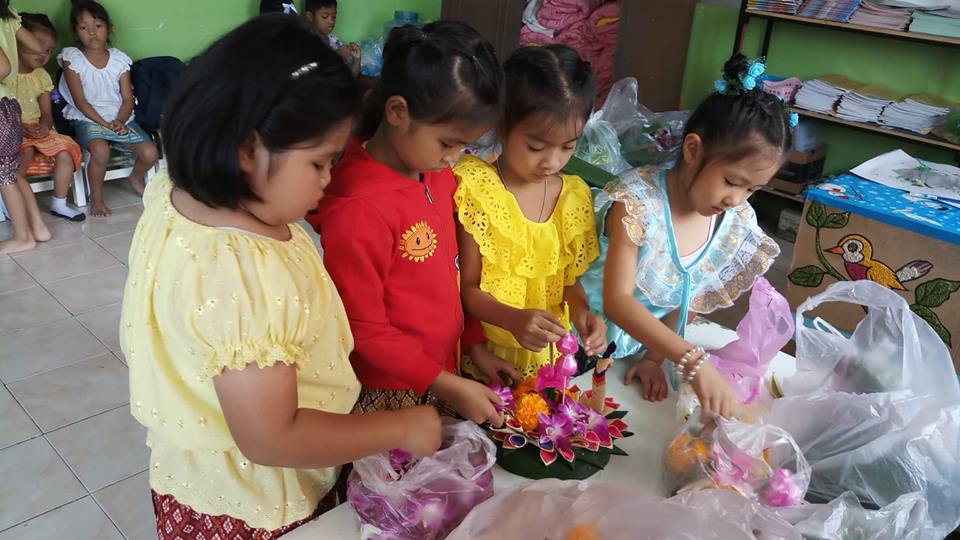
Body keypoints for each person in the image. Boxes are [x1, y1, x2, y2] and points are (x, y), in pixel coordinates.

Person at [120, 15, 441, 540]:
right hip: (257, 503)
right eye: (320, 162)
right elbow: (271, 437)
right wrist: (402, 426)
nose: (329, 178)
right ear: (248, 150)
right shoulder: (241, 276)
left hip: (195, 472)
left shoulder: (172, 190)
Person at [306, 21, 505, 424]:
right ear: (397, 111)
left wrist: (475, 345)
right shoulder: (360, 209)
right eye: (447, 143)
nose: (455, 158)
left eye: (463, 146)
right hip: (391, 391)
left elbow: (448, 276)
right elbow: (363, 327)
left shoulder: (434, 173)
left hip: (441, 370)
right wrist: (444, 384)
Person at [580, 54, 795, 417]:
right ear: (693, 149)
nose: (736, 199)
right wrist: (692, 360)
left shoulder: (732, 221)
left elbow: (691, 293)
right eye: (731, 181)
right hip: (584, 333)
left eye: (752, 189)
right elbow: (617, 301)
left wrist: (655, 358)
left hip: (641, 344)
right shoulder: (637, 204)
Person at [455, 44, 606, 385]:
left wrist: (582, 313)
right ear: (502, 124)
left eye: (568, 147)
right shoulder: (479, 188)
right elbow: (467, 288)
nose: (552, 162)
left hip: (546, 360)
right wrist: (511, 319)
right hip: (487, 355)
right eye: (536, 147)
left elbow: (567, 283)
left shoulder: (573, 198)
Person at [58, 0, 159, 217]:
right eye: (83, 27)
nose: (92, 32)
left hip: (119, 117)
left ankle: (135, 178)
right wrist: (105, 124)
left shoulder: (119, 60)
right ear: (75, 32)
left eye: (98, 26)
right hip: (88, 118)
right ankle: (96, 197)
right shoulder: (72, 58)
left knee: (150, 152)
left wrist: (120, 121)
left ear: (109, 28)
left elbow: (127, 98)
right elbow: (80, 101)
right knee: (100, 150)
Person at [14, 12, 85, 222]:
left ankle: (59, 203)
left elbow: (46, 113)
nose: (43, 54)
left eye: (49, 50)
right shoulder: (6, 75)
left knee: (65, 152)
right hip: (13, 130)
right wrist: (21, 126)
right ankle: (15, 203)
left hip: (39, 130)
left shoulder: (42, 76)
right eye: (38, 45)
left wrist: (45, 126)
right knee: (24, 153)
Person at [0, 0, 57, 253]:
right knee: (10, 172)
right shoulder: (7, 14)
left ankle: (23, 237)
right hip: (9, 103)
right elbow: (37, 46)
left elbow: (3, 67)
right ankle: (38, 227)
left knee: (5, 175)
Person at [304, 0, 360, 76]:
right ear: (310, 16)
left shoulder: (335, 42)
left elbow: (350, 79)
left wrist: (357, 58)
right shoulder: (304, 44)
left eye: (334, 17)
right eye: (325, 17)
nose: (331, 21)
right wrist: (336, 56)